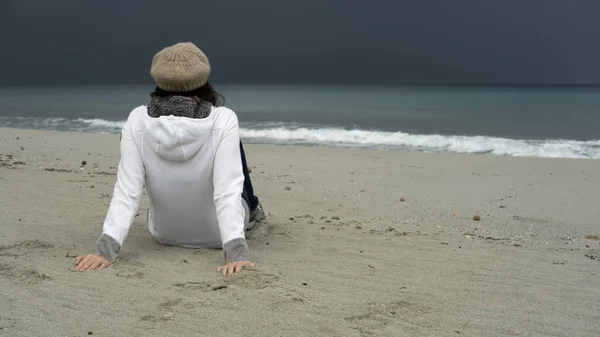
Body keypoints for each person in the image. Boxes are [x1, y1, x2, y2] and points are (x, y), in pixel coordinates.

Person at [75, 42, 266, 275]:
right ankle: (254, 209)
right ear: (203, 79)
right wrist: (236, 254)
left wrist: (105, 250)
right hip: (219, 236)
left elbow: (128, 190)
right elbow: (227, 190)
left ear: (159, 80)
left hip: (164, 234)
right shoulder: (223, 118)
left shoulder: (137, 119)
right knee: (233, 150)